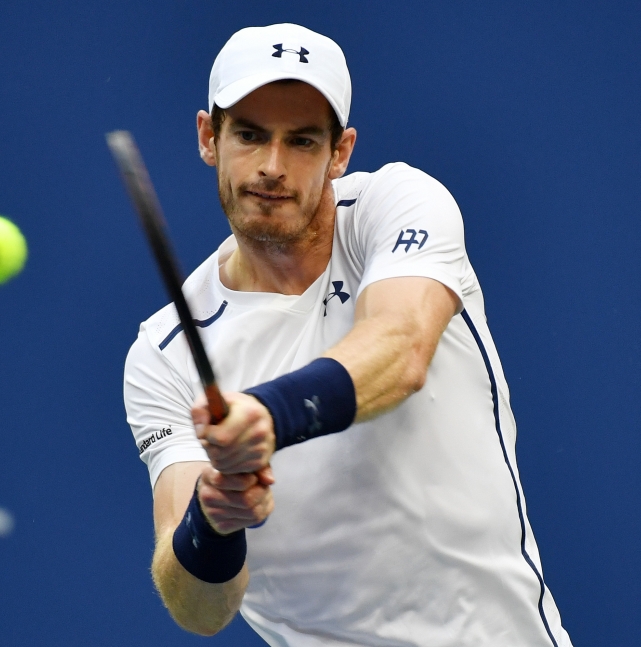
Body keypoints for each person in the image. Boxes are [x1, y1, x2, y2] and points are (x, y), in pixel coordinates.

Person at [123, 23, 573, 647]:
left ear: (340, 151)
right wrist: (214, 520)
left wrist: (269, 415)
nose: (272, 167)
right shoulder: (162, 355)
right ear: (209, 137)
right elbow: (198, 610)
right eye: (250, 135)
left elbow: (401, 347)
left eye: (302, 141)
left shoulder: (398, 206)